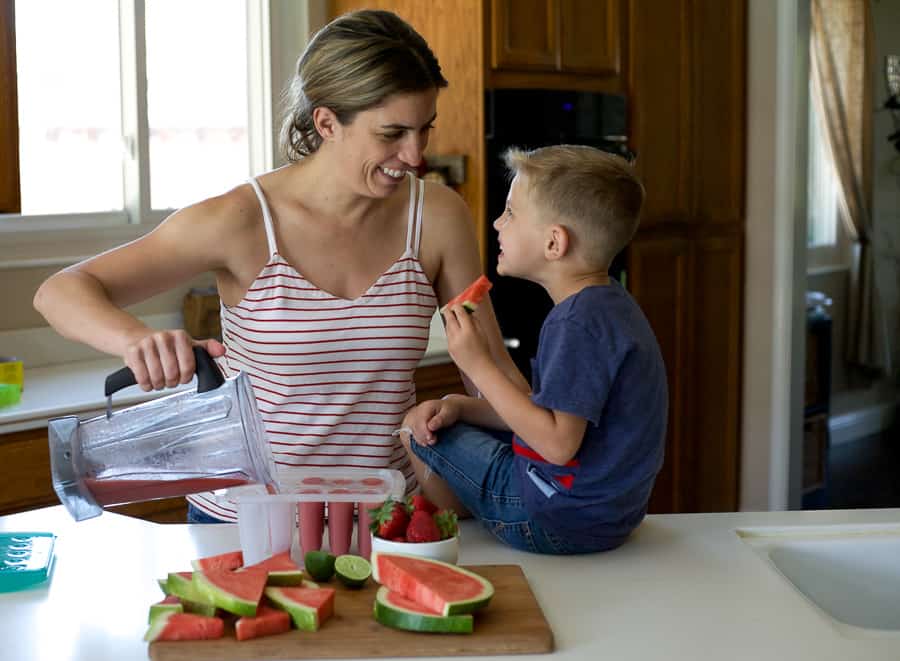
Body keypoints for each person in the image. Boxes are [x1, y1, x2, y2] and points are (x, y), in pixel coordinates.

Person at [33, 9, 525, 523]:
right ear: (327, 122)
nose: (415, 154)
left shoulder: (438, 217)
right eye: (392, 133)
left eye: (425, 129)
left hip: (387, 518)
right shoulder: (240, 221)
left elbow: (488, 373)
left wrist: (570, 437)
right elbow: (61, 290)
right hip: (246, 522)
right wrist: (135, 340)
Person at [399, 145, 668, 554]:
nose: (496, 223)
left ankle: (465, 527)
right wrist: (461, 404)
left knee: (416, 429)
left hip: (551, 520)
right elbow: (546, 414)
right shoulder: (609, 305)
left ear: (554, 242)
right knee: (447, 415)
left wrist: (477, 363)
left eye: (510, 213)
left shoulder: (575, 323)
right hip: (608, 517)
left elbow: (557, 445)